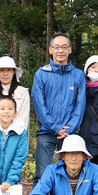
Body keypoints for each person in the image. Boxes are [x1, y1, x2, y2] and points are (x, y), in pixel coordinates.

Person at [31, 32, 86, 185]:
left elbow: (80, 105)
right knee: (41, 174)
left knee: (71, 173)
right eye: (57, 47)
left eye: (64, 47)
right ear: (50, 50)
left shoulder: (78, 75)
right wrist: (55, 127)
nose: (60, 51)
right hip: (46, 132)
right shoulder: (41, 74)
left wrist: (69, 128)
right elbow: (39, 104)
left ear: (70, 49)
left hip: (69, 134)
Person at [0, 56, 30, 130]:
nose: (5, 74)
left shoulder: (23, 92)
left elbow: (23, 120)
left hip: (17, 137)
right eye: (2, 70)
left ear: (14, 72)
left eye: (9, 70)